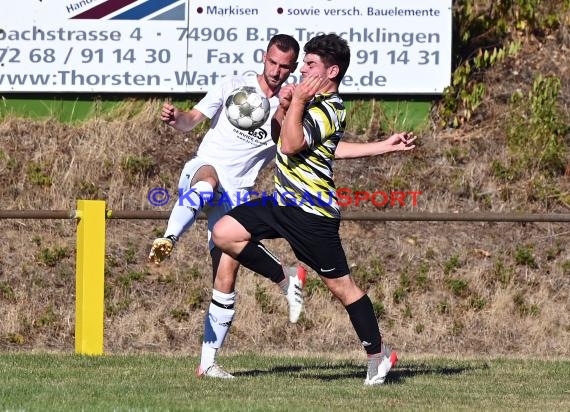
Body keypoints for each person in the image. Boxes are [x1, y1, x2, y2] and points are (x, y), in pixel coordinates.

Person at [211, 33, 416, 385]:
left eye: (309, 65)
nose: (301, 70)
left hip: (312, 215)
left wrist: (299, 102)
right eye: (303, 64)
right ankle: (286, 276)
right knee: (223, 233)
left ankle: (377, 355)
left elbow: (290, 145)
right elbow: (293, 138)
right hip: (282, 203)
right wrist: (285, 106)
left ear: (331, 71)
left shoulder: (330, 108)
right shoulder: (310, 103)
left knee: (343, 288)